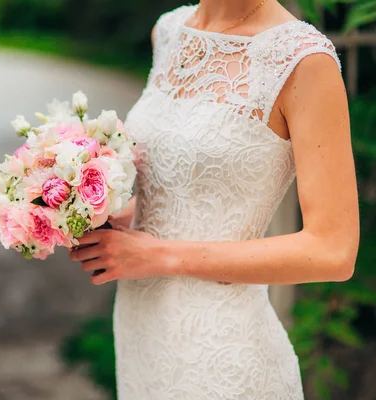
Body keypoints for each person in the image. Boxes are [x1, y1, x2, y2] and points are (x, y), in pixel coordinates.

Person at [69, 0, 360, 398]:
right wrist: (111, 217)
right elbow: (187, 190)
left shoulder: (302, 61)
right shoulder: (169, 31)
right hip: (142, 331)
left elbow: (333, 250)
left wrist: (159, 256)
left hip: (224, 349)